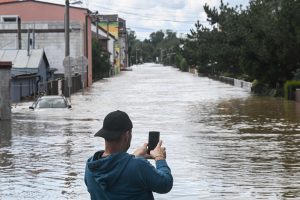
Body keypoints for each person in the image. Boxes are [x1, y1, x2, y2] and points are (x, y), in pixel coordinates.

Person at [84, 110, 173, 200]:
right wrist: (159, 157)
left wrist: (133, 157)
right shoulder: (139, 166)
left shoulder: (91, 167)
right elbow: (165, 184)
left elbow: (118, 170)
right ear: (127, 135)